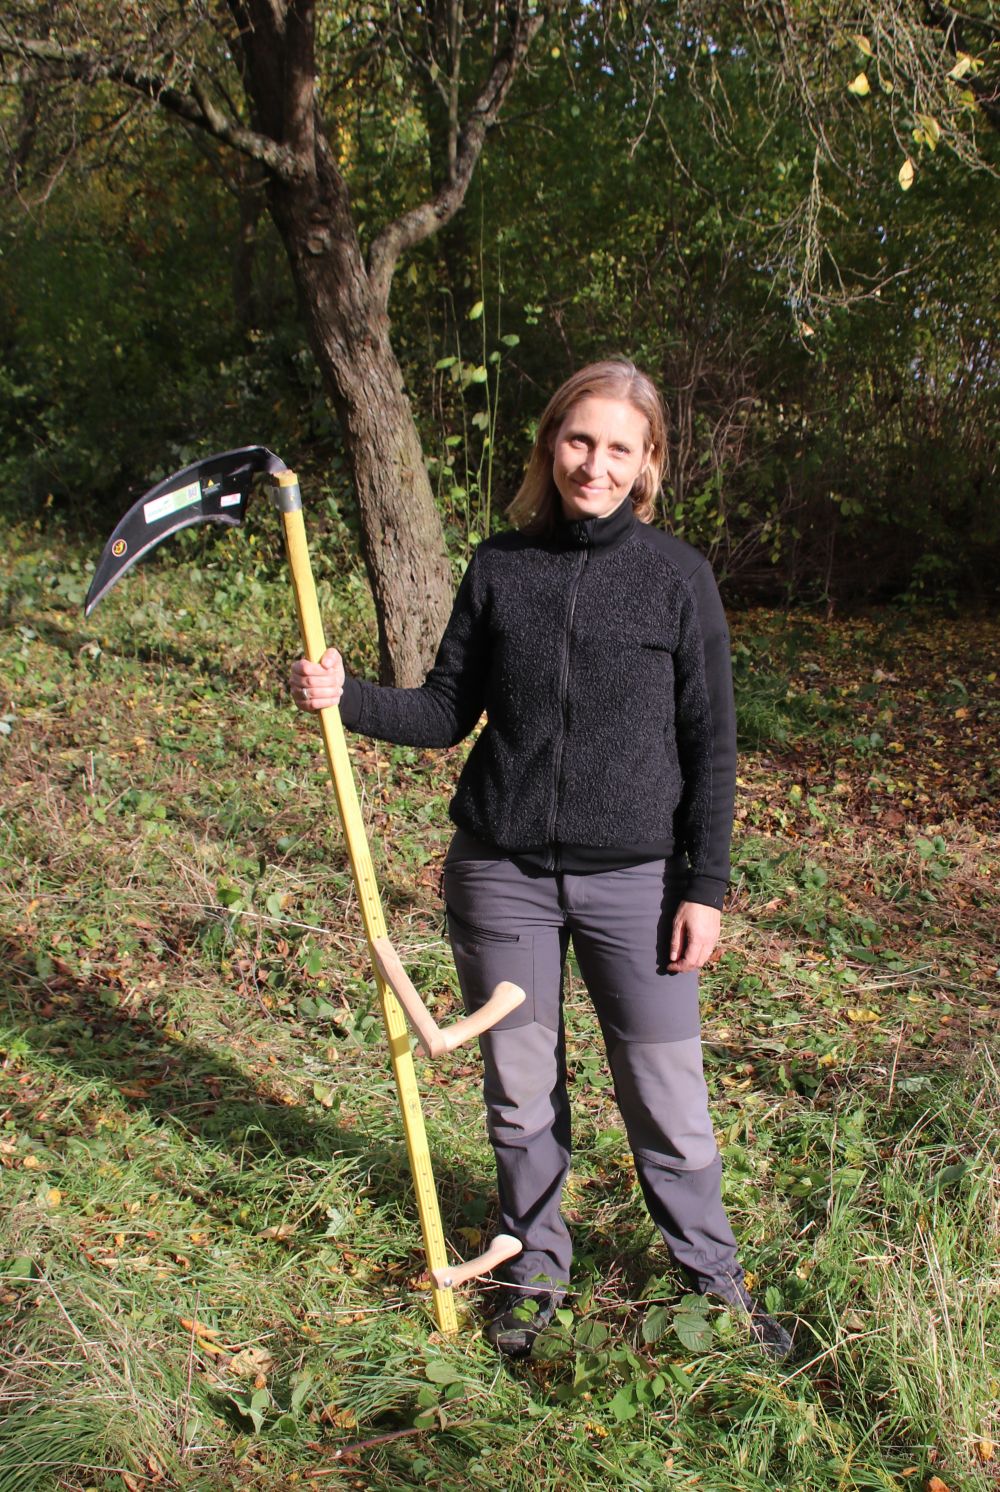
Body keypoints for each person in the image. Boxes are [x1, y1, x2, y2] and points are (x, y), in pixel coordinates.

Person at [290, 359, 792, 1361]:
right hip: (500, 875)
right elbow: (443, 712)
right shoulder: (499, 567)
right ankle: (533, 1275)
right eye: (577, 440)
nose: (592, 465)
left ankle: (714, 1288)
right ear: (548, 445)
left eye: (617, 447)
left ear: (647, 463)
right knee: (519, 1095)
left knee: (666, 1097)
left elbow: (711, 745)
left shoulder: (677, 579)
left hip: (636, 887)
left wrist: (706, 887)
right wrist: (344, 695)